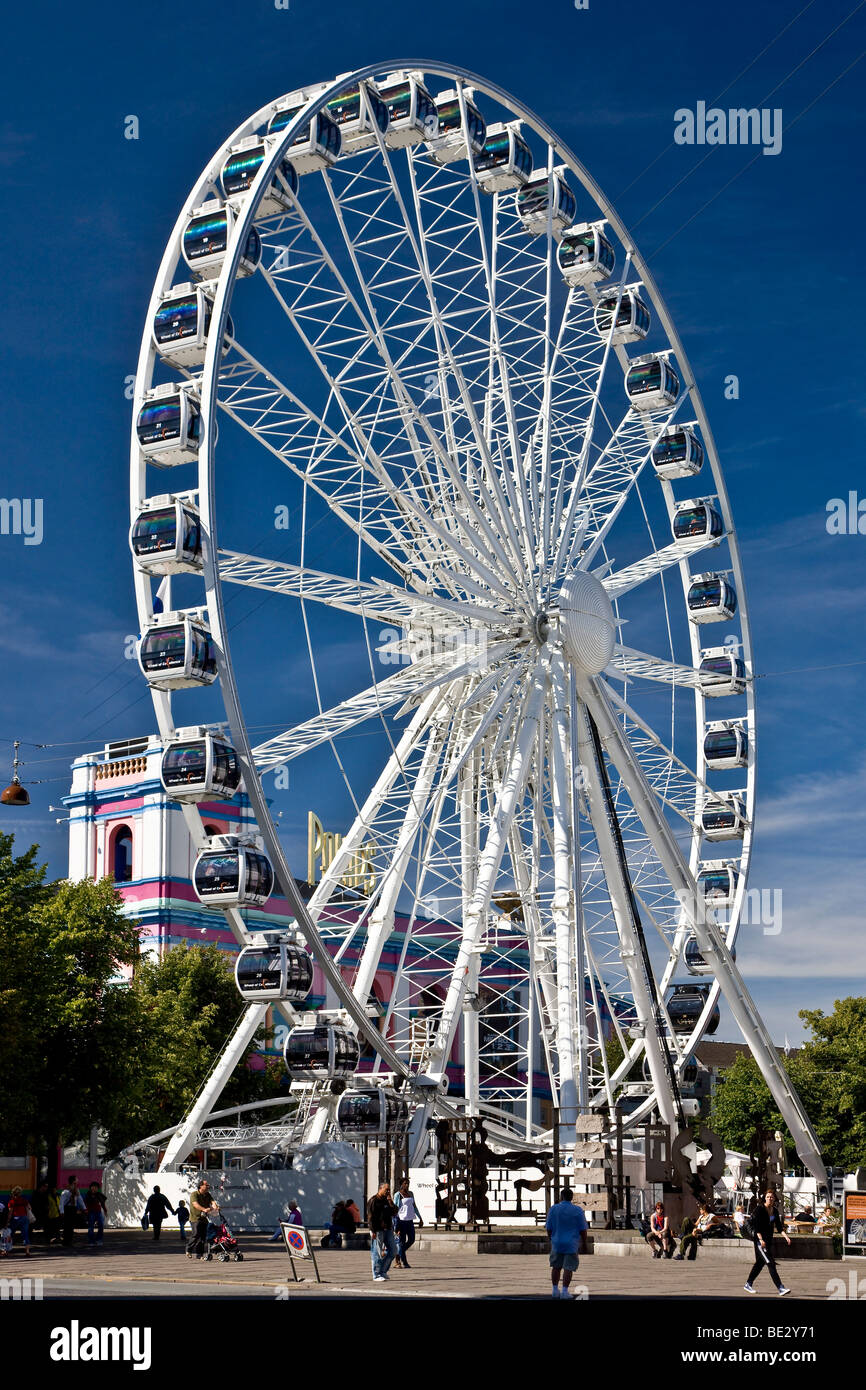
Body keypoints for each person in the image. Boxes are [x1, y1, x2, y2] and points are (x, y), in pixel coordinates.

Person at [744, 1191, 791, 1296]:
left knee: (759, 1264)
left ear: (774, 1199)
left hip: (768, 1241)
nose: (770, 1199)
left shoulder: (774, 1211)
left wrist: (786, 1236)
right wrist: (760, 1240)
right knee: (770, 1263)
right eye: (768, 1197)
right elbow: (756, 1227)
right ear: (765, 1198)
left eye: (772, 1197)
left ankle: (748, 1284)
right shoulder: (759, 1209)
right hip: (760, 1241)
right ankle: (780, 1287)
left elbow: (779, 1227)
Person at [545, 1188, 588, 1299]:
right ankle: (564, 1291)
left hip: (557, 1242)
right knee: (568, 1268)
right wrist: (584, 1243)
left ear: (561, 1197)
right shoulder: (577, 1210)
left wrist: (551, 1238)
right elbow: (583, 1229)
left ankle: (555, 1290)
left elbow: (548, 1228)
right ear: (571, 1197)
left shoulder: (553, 1209)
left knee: (556, 1267)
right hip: (571, 1243)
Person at [367, 1181, 397, 1283]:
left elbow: (394, 1212)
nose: (388, 1191)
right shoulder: (373, 1200)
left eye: (389, 1190)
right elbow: (370, 1217)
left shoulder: (386, 1200)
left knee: (393, 1251)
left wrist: (391, 1202)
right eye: (386, 1189)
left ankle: (383, 1271)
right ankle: (376, 1274)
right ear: (380, 1189)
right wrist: (372, 1230)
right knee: (377, 1253)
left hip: (388, 1229)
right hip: (378, 1229)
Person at [394, 1177, 424, 1269]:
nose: (407, 1185)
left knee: (411, 1239)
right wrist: (396, 1225)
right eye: (405, 1183)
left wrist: (420, 1218)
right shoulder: (398, 1195)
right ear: (401, 1184)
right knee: (401, 1242)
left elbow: (414, 1206)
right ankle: (402, 1262)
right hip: (401, 1221)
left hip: (410, 1220)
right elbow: (395, 1209)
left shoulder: (410, 1194)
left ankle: (399, 1253)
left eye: (408, 1183)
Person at [186, 1180, 213, 1260]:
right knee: (196, 1234)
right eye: (206, 1185)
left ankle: (199, 1254)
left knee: (202, 1237)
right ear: (201, 1186)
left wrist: (216, 1206)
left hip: (204, 1219)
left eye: (208, 1185)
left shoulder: (207, 1194)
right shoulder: (194, 1194)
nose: (208, 1186)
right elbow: (195, 1204)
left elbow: (213, 1202)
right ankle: (188, 1250)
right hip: (195, 1218)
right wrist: (204, 1209)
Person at [6, 1187, 33, 1256]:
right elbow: (30, 1207)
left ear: (13, 1193)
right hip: (24, 1218)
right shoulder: (24, 1200)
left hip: (15, 1219)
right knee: (25, 1234)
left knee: (10, 1234)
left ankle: (7, 1250)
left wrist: (7, 1221)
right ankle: (27, 1251)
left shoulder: (12, 1202)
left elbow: (10, 1213)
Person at [60, 1179, 85, 1247]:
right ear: (69, 1185)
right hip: (67, 1209)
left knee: (71, 1226)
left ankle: (70, 1241)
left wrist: (84, 1208)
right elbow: (61, 1203)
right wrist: (62, 1211)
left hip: (73, 1209)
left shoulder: (76, 1192)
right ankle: (65, 1241)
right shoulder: (65, 1192)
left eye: (75, 1185)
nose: (74, 1186)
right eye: (72, 1185)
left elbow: (80, 1200)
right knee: (66, 1226)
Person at [84, 1182, 107, 1248]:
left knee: (101, 1225)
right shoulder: (88, 1194)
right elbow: (85, 1203)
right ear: (90, 1187)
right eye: (93, 1186)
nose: (94, 1188)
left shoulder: (99, 1194)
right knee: (91, 1227)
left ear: (97, 1188)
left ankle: (99, 1240)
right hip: (91, 1212)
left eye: (96, 1187)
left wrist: (105, 1210)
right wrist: (86, 1210)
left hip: (98, 1212)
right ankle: (91, 1241)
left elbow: (102, 1203)